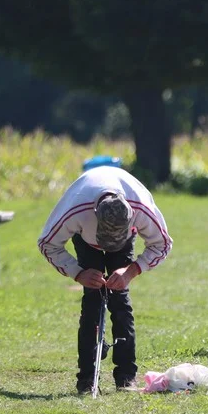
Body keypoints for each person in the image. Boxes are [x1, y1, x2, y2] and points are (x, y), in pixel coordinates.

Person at [37, 165, 173, 394]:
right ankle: (87, 380)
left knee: (120, 300)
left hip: (125, 242)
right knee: (93, 301)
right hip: (85, 238)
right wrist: (78, 272)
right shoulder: (76, 210)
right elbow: (47, 243)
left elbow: (162, 243)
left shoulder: (141, 207)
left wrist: (131, 271)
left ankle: (126, 377)